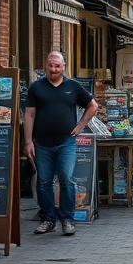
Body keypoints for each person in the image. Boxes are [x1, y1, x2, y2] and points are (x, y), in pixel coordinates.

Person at [25, 52, 99, 236]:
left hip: (66, 143)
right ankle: (48, 219)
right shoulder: (36, 87)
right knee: (43, 182)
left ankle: (67, 219)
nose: (53, 69)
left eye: (57, 66)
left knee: (67, 179)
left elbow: (93, 106)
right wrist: (28, 142)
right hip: (41, 143)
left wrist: (81, 125)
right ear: (45, 66)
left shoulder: (73, 86)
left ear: (63, 67)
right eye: (50, 65)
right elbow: (29, 115)